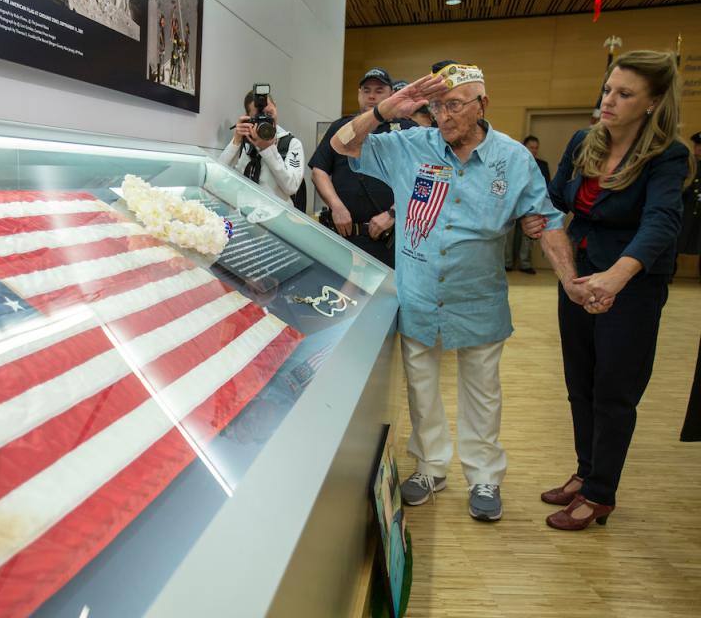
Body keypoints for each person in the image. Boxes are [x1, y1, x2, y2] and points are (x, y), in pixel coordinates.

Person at [331, 62, 581, 522]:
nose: (444, 116)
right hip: (419, 293)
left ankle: (485, 476)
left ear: (482, 104)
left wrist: (570, 281)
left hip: (477, 296)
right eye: (437, 106)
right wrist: (386, 110)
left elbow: (544, 219)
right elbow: (343, 144)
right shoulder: (411, 146)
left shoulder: (513, 158)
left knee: (481, 391)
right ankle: (430, 467)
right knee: (422, 387)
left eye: (454, 105)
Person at [540, 50, 694, 530]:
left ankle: (601, 493)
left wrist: (616, 277)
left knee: (614, 390)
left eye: (624, 94)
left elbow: (662, 222)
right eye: (608, 89)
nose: (609, 100)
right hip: (581, 274)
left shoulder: (669, 154)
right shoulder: (584, 139)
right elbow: (557, 196)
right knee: (579, 384)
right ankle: (586, 472)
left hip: (632, 284)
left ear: (652, 103)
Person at [309, 68, 416, 267]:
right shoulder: (342, 127)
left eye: (379, 90)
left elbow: (422, 180)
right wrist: (337, 206)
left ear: (391, 95)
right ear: (359, 94)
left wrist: (393, 213)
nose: (372, 96)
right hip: (344, 237)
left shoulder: (406, 130)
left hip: (388, 240)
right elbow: (319, 171)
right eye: (366, 90)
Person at [219, 90, 304, 204]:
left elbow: (291, 187)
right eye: (259, 117)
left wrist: (268, 149)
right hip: (241, 213)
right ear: (248, 117)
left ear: (275, 106)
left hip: (275, 217)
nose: (266, 120)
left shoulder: (291, 144)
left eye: (269, 114)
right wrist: (236, 140)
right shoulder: (244, 140)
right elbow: (218, 176)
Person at [504, 135, 550, 274]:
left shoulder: (542, 165)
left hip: (532, 206)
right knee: (509, 236)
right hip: (512, 204)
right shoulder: (512, 162)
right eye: (531, 147)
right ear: (524, 147)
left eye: (536, 148)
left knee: (528, 237)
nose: (534, 150)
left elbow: (546, 185)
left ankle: (525, 264)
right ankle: (507, 263)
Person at [676, 131, 701, 278]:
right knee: (675, 240)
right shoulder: (688, 163)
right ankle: (669, 274)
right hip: (686, 208)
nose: (699, 148)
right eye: (697, 145)